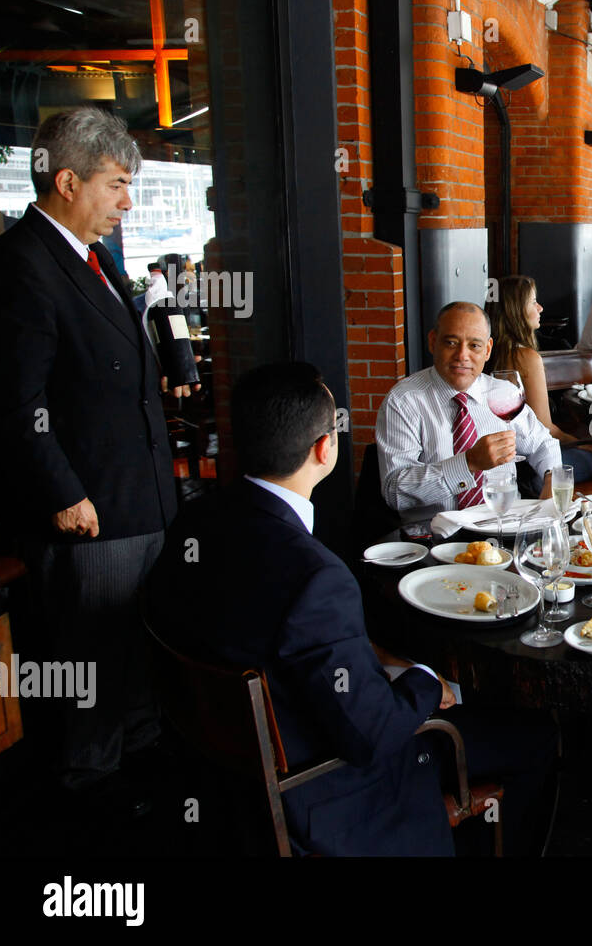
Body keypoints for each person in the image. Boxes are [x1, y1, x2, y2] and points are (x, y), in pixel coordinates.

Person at [150, 362, 557, 855]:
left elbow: (278, 638)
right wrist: (430, 678)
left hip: (224, 777)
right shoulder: (316, 577)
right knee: (536, 736)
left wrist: (378, 657)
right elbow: (372, 734)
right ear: (325, 449)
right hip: (323, 790)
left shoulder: (191, 525)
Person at [0, 107, 195, 814]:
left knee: (133, 645)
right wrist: (62, 492)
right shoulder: (20, 265)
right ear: (68, 181)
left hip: (136, 495)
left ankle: (139, 764)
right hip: (87, 507)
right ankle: (94, 800)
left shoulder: (94, 257)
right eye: (116, 185)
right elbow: (14, 402)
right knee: (90, 664)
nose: (127, 202)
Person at [377, 302, 561, 526]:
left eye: (474, 345)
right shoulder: (404, 401)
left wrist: (552, 478)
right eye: (452, 343)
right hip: (435, 537)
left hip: (504, 526)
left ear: (488, 350)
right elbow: (395, 492)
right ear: (433, 342)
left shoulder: (503, 393)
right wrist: (468, 463)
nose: (462, 355)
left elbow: (543, 443)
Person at [486, 276, 592, 482]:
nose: (540, 308)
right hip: (531, 467)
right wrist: (584, 444)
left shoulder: (488, 352)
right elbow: (545, 428)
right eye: (532, 302)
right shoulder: (525, 357)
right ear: (515, 310)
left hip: (500, 463)